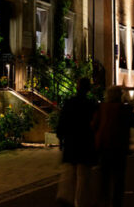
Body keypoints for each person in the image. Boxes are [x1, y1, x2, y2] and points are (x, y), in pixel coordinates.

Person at [92, 86, 134, 207]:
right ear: (120, 95)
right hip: (119, 147)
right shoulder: (125, 108)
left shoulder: (101, 107)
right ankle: (116, 203)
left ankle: (103, 200)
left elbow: (93, 125)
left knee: (104, 176)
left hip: (104, 146)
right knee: (119, 178)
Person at [56, 77, 97, 207]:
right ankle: (80, 202)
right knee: (83, 177)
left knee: (70, 175)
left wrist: (61, 137)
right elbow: (96, 125)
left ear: (77, 87)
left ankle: (66, 199)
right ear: (88, 89)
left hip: (71, 143)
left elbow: (62, 121)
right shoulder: (91, 105)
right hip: (85, 144)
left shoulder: (70, 103)